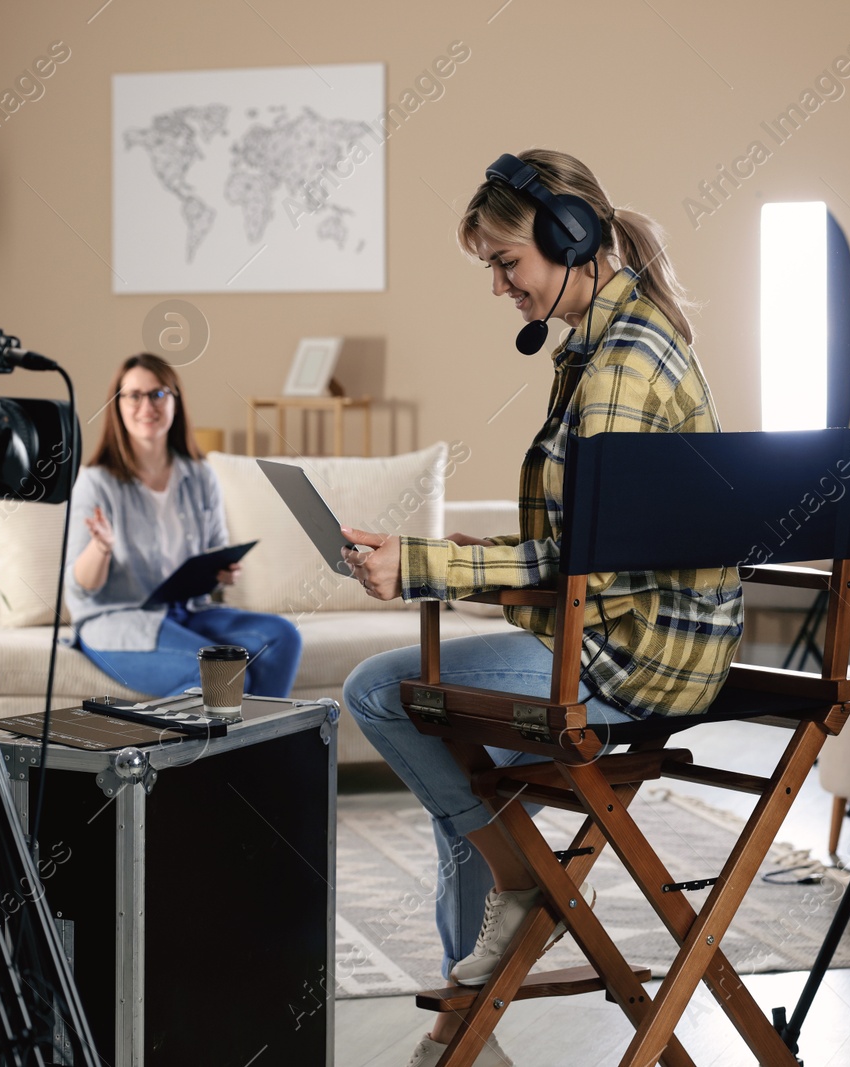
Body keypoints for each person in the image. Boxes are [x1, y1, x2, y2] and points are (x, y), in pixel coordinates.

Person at [340, 149, 743, 1067]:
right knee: (459, 753)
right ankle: (464, 1028)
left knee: (380, 692)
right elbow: (595, 538)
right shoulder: (606, 341)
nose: (498, 286)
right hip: (629, 637)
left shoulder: (621, 363)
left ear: (571, 239)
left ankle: (526, 887)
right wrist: (457, 559)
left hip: (634, 660)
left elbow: (589, 563)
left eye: (505, 262)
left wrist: (422, 566)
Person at [65, 353, 302, 698]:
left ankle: (263, 751)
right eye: (134, 395)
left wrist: (224, 573)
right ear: (117, 405)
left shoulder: (200, 474)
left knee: (283, 637)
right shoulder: (95, 482)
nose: (147, 406)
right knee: (220, 674)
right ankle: (180, 750)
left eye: (158, 393)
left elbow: (215, 554)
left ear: (175, 401)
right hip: (117, 622)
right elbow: (80, 589)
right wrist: (100, 548)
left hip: (188, 611)